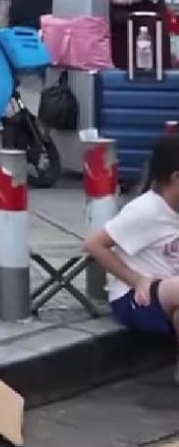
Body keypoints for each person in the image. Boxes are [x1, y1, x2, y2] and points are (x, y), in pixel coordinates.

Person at [85, 134, 179, 360]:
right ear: (176, 177)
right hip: (136, 297)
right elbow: (94, 244)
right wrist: (137, 280)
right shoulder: (146, 211)